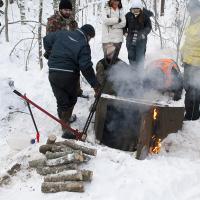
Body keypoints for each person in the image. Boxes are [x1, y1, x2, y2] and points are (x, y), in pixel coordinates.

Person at [43, 24, 100, 139]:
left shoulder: (62, 33)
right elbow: (86, 67)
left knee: (61, 99)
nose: (89, 41)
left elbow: (46, 39)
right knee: (71, 98)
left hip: (53, 72)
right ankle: (66, 127)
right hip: (69, 74)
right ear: (88, 36)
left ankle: (65, 123)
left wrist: (50, 52)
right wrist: (95, 85)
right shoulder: (83, 45)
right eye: (90, 38)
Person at [45, 0, 84, 108]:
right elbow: (49, 39)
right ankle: (65, 104)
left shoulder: (73, 22)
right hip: (59, 55)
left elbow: (77, 36)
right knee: (65, 78)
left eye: (69, 10)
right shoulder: (53, 21)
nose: (67, 12)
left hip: (72, 53)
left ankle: (77, 91)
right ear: (60, 9)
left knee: (76, 72)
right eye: (65, 10)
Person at [181, 0, 200, 120]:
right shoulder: (191, 21)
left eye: (193, 9)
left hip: (197, 64)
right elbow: (188, 41)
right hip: (188, 61)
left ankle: (192, 115)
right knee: (188, 87)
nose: (191, 12)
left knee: (194, 90)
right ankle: (192, 112)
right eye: (190, 10)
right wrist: (182, 53)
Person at [124, 0, 152, 71]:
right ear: (132, 9)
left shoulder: (145, 16)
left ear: (140, 9)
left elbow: (148, 27)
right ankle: (133, 74)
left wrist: (144, 33)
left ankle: (140, 75)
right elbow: (124, 25)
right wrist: (125, 32)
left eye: (137, 9)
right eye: (134, 9)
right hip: (130, 41)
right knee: (131, 58)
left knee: (140, 59)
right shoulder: (128, 15)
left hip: (141, 41)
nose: (135, 10)